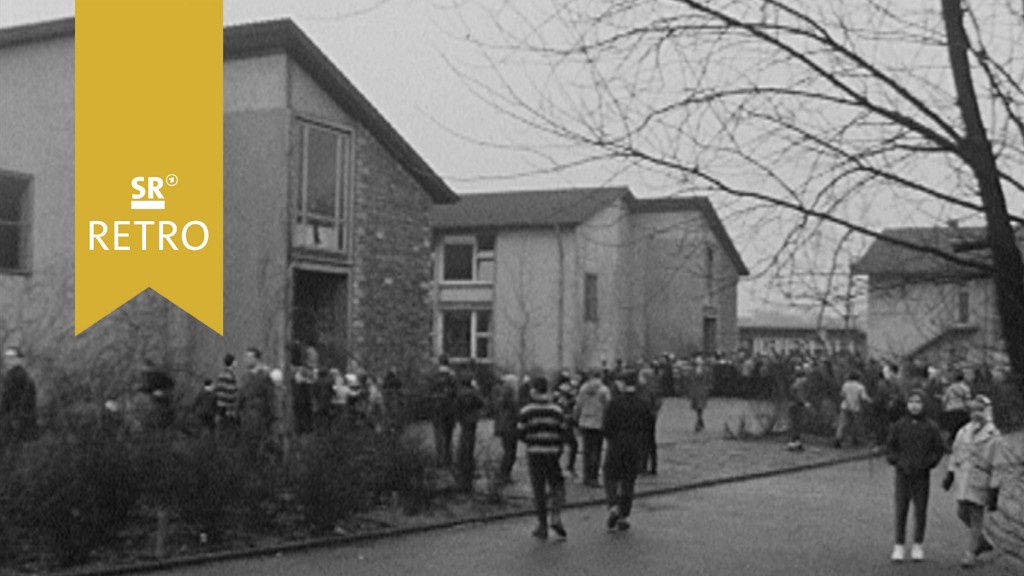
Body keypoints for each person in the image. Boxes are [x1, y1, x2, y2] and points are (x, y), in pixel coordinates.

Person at [885, 390, 946, 563]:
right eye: (911, 401)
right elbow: (890, 447)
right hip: (902, 473)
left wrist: (928, 463)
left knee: (920, 510)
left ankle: (918, 544)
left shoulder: (930, 427)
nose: (914, 405)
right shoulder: (898, 426)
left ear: (923, 404)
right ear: (906, 404)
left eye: (918, 402)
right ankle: (899, 544)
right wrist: (896, 460)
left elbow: (938, 449)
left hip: (922, 474)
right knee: (901, 509)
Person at [943, 395, 1001, 568]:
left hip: (981, 479)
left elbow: (997, 464)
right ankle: (981, 541)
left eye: (980, 410)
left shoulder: (993, 436)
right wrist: (950, 473)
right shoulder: (963, 431)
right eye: (973, 410)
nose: (976, 413)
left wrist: (994, 489)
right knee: (961, 512)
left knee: (976, 516)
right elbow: (956, 452)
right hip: (964, 478)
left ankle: (970, 554)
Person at [518, 376, 568, 540]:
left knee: (538, 489)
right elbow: (563, 431)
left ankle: (542, 526)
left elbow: (521, 433)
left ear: (533, 390)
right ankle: (556, 515)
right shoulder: (557, 410)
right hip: (552, 453)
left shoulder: (526, 411)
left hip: (535, 453)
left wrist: (532, 439)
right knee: (557, 485)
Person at [602, 372, 648, 531]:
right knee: (629, 480)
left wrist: (611, 438)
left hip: (616, 443)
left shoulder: (615, 402)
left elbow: (606, 425)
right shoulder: (642, 403)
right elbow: (647, 427)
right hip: (634, 445)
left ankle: (613, 504)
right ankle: (624, 516)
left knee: (610, 475)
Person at [238, 347, 276, 456]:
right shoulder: (245, 377)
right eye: (245, 357)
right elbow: (241, 396)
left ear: (256, 358)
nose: (246, 360)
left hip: (260, 417)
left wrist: (270, 416)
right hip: (247, 418)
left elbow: (270, 397)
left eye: (249, 357)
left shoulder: (264, 376)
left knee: (260, 447)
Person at [575, 370, 611, 487]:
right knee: (596, 451)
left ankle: (586, 476)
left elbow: (578, 405)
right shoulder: (604, 390)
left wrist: (577, 418)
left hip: (585, 422)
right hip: (598, 422)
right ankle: (593, 477)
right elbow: (608, 406)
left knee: (586, 451)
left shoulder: (583, 389)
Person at [453, 373, 485, 492]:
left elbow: (456, 406)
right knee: (470, 445)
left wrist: (458, 417)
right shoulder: (473, 393)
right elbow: (482, 402)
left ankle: (462, 471)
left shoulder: (460, 393)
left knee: (463, 444)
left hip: (463, 421)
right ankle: (468, 470)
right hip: (472, 420)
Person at [0, 346, 37, 445]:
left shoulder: (11, 376)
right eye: (7, 358)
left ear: (17, 360)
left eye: (10, 358)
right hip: (26, 419)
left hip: (15, 421)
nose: (8, 361)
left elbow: (6, 400)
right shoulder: (25, 375)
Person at [493, 374, 522, 485]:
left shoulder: (502, 397)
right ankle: (504, 475)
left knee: (508, 452)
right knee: (510, 453)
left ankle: (504, 475)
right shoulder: (511, 398)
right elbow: (516, 413)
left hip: (504, 427)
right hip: (510, 427)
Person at [429, 355, 458, 467]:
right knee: (448, 435)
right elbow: (456, 393)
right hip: (449, 410)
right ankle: (448, 458)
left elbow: (429, 392)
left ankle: (439, 459)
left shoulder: (434, 376)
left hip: (436, 409)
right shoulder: (452, 376)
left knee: (438, 434)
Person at [835, 371, 872, 448]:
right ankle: (854, 439)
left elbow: (842, 395)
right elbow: (864, 397)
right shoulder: (860, 387)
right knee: (855, 424)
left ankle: (838, 440)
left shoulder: (845, 385)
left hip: (845, 406)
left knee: (842, 424)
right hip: (856, 408)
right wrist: (871, 400)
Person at [554, 371, 580, 477]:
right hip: (566, 421)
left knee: (560, 446)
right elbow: (573, 403)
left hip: (558, 421)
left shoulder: (555, 392)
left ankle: (555, 466)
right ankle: (569, 466)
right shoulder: (569, 391)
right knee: (572, 445)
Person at [638, 367, 662, 474]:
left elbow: (655, 402)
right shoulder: (647, 387)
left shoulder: (649, 388)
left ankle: (646, 466)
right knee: (648, 442)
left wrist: (652, 411)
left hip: (647, 416)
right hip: (646, 416)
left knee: (646, 442)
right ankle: (648, 465)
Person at [939, 370, 972, 441]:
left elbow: (944, 400)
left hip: (950, 412)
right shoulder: (966, 388)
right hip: (962, 412)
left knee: (952, 431)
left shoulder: (949, 388)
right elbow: (967, 401)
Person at [787, 364, 811, 452]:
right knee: (797, 424)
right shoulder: (799, 384)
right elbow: (798, 395)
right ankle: (794, 442)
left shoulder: (794, 384)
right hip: (796, 405)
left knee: (795, 424)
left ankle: (796, 442)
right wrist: (804, 403)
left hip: (793, 405)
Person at [213, 353, 239, 428]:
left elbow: (217, 391)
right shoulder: (230, 376)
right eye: (235, 361)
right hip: (226, 410)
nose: (237, 363)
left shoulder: (221, 374)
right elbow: (230, 394)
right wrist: (231, 410)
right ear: (232, 363)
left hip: (219, 408)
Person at [690, 355, 713, 432]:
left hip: (702, 391)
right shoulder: (693, 370)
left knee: (700, 407)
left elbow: (709, 379)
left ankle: (698, 422)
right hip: (695, 391)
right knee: (697, 407)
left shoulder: (706, 370)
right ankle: (700, 420)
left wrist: (708, 387)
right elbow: (690, 380)